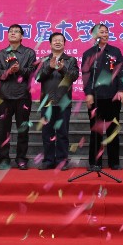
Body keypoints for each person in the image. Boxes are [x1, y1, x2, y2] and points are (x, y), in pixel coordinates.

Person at [81, 23, 123, 170]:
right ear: (94, 35)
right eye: (101, 32)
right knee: (96, 131)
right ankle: (95, 162)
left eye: (106, 32)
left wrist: (121, 90)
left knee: (113, 130)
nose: (105, 34)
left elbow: (121, 72)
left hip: (112, 97)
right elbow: (86, 76)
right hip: (96, 98)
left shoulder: (115, 51)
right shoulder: (88, 53)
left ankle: (114, 162)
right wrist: (88, 93)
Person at [0, 24, 36, 170]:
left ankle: (21, 159)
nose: (13, 33)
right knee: (3, 130)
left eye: (16, 31)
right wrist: (9, 71)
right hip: (4, 97)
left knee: (22, 130)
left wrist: (20, 69)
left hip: (22, 96)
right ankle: (4, 160)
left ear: (22, 36)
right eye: (11, 31)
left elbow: (32, 71)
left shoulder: (29, 53)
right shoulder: (1, 54)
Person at [36, 32, 80, 170]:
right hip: (47, 102)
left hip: (63, 102)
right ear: (50, 44)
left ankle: (62, 161)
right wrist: (49, 67)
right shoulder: (44, 60)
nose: (57, 42)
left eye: (60, 40)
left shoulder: (71, 60)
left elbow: (73, 77)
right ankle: (48, 160)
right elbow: (38, 77)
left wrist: (62, 69)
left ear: (64, 43)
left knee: (62, 133)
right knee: (47, 133)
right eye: (55, 40)